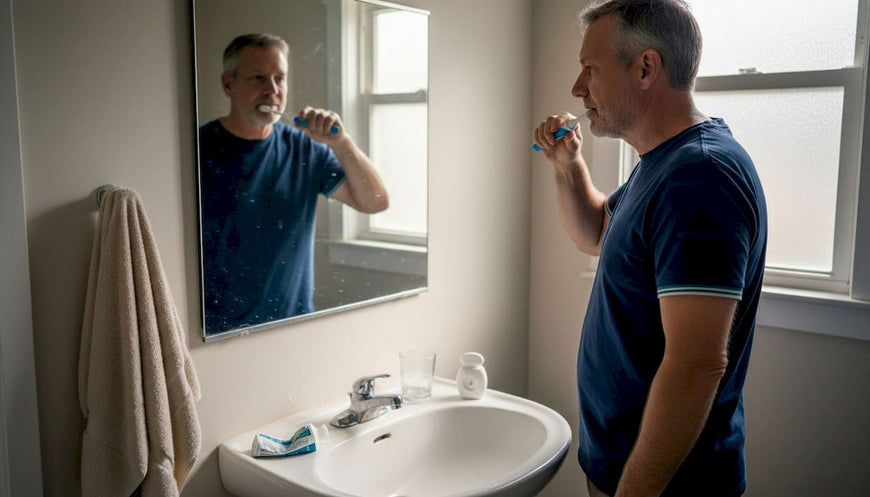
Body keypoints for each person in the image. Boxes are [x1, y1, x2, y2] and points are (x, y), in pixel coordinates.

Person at [532, 1, 767, 496]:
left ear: (645, 68)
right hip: (627, 467)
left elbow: (697, 363)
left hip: (665, 483)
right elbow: (596, 234)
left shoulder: (700, 177)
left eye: (590, 69)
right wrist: (567, 166)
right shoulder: (661, 164)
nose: (577, 88)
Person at [199, 33, 388, 334]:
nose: (272, 90)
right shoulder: (199, 150)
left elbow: (375, 201)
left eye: (280, 79)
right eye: (258, 78)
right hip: (216, 334)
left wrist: (341, 142)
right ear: (228, 84)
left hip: (294, 327)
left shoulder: (305, 149)